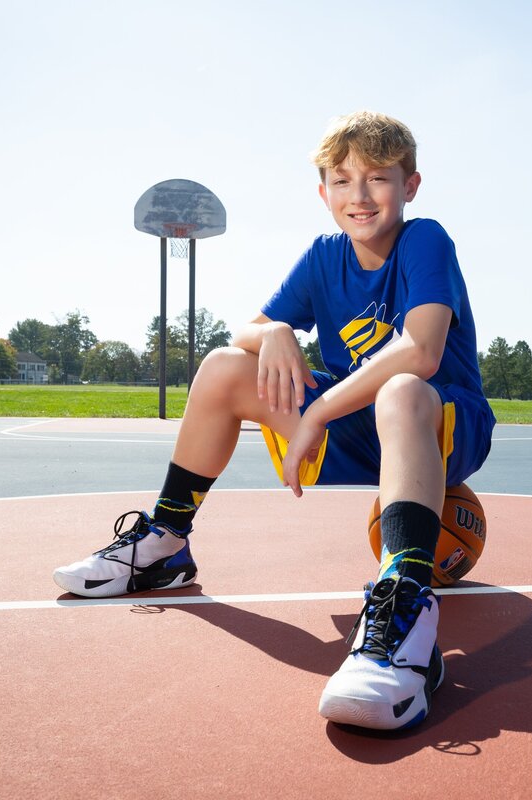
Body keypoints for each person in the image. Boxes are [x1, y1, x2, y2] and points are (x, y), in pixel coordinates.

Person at [53, 110, 495, 730]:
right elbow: (248, 330)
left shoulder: (425, 240)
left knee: (400, 388)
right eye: (342, 181)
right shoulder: (323, 256)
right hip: (354, 425)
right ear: (323, 193)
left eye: (377, 179)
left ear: (410, 187)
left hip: (444, 422)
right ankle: (165, 543)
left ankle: (406, 608)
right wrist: (278, 331)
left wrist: (315, 410)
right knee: (225, 365)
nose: (359, 196)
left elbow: (420, 352)